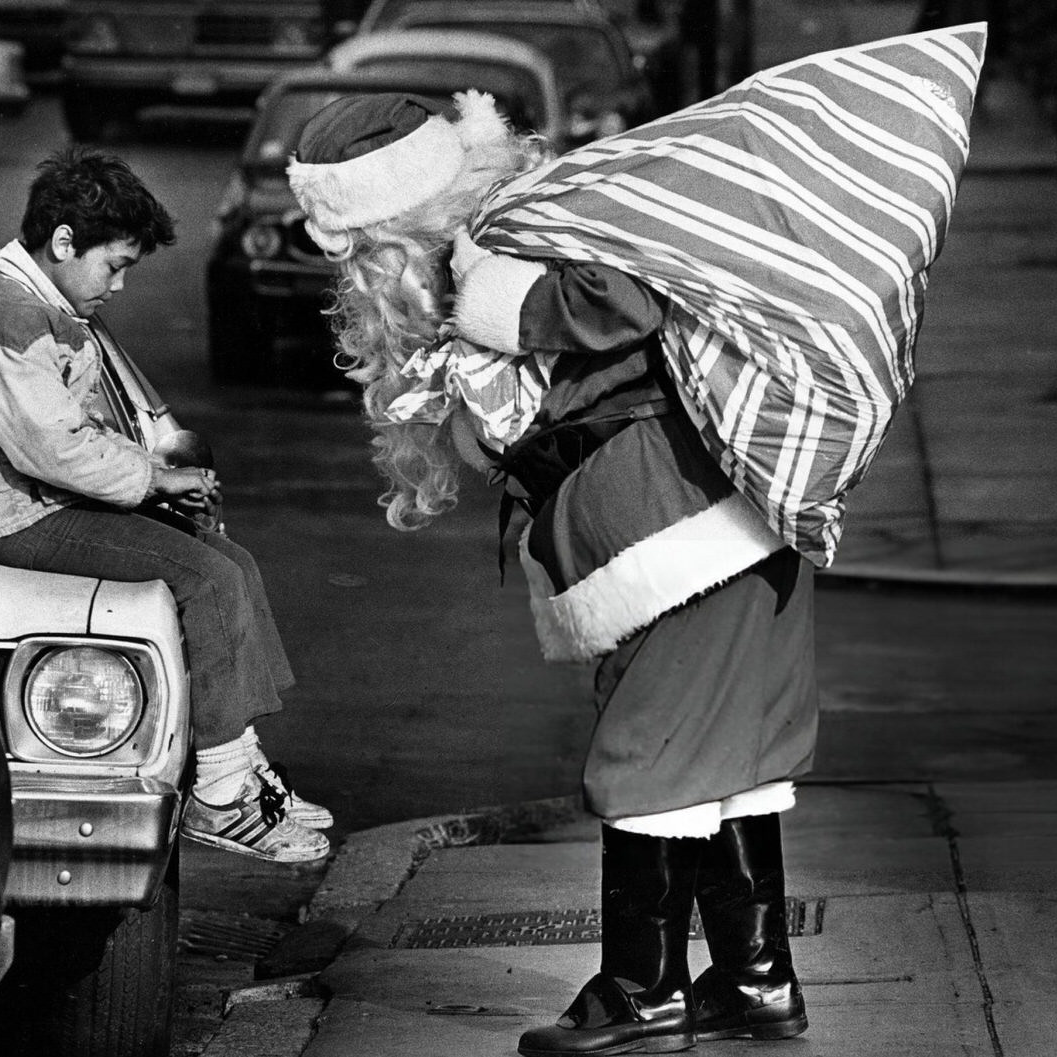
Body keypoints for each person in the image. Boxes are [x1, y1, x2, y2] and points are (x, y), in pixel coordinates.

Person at [287, 92, 815, 1052]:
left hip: (680, 540)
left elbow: (638, 288)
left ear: (397, 223)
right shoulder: (490, 253)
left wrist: (493, 314)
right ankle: (755, 980)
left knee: (647, 764)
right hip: (682, 539)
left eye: (359, 245)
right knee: (721, 769)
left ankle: (641, 994)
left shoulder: (519, 246)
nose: (355, 271)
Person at [0, 146, 332, 864]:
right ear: (63, 243)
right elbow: (51, 448)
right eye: (113, 265)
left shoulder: (45, 309)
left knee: (229, 562)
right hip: (28, 517)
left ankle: (239, 762)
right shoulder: (6, 317)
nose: (117, 285)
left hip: (57, 506)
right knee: (207, 580)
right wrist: (156, 478)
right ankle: (218, 798)